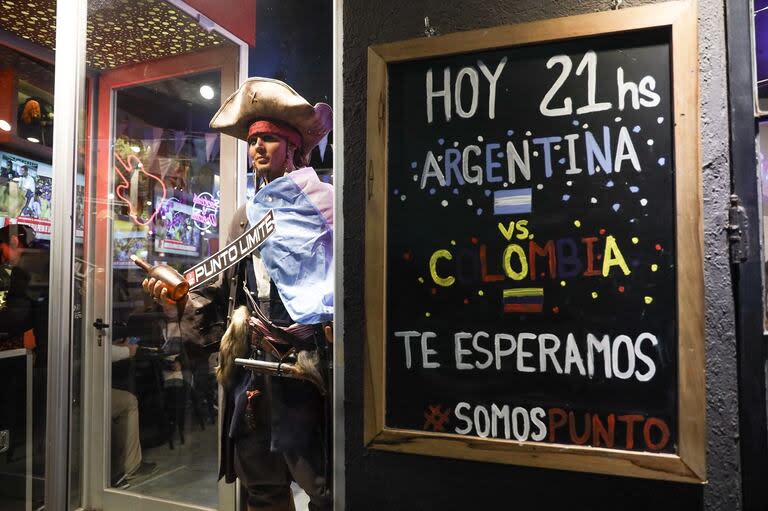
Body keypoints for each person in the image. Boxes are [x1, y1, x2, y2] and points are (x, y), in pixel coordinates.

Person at [143, 77, 333, 511]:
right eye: (253, 141)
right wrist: (177, 296)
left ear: (292, 147)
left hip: (309, 367)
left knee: (325, 488)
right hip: (253, 366)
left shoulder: (325, 205)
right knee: (261, 487)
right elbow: (220, 290)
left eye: (269, 139)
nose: (258, 148)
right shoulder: (245, 217)